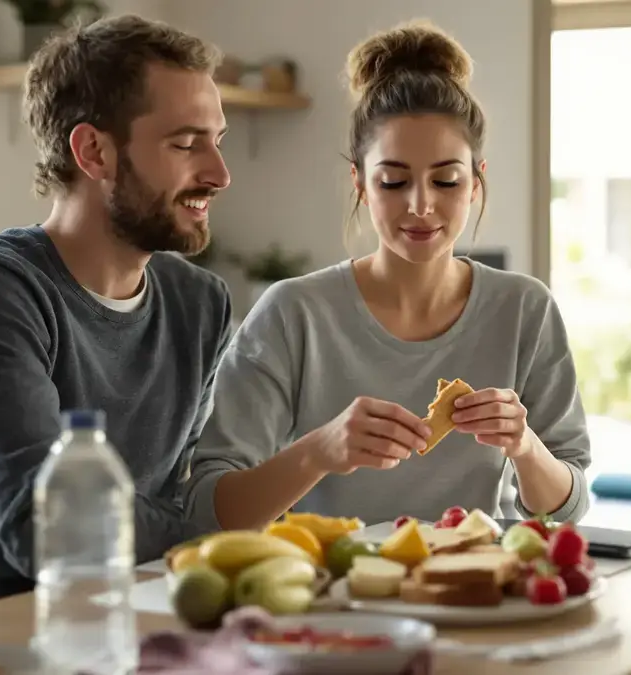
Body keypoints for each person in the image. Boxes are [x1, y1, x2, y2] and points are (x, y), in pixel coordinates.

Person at [0, 15, 233, 604]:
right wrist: (210, 527)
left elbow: (168, 505)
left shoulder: (199, 304)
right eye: (186, 143)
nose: (219, 174)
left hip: (118, 625)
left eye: (216, 141)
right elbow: (45, 532)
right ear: (93, 151)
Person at [182, 20, 591, 532]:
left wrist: (525, 446)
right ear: (360, 182)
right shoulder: (293, 313)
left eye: (446, 180)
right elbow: (206, 511)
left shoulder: (525, 309)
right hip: (332, 594)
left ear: (475, 182)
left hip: (478, 592)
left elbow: (569, 508)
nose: (421, 205)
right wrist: (319, 451)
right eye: (394, 181)